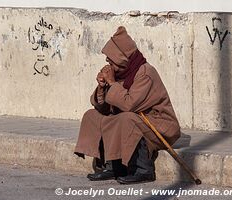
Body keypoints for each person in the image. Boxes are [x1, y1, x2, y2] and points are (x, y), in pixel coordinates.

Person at [74, 26, 181, 184]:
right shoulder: (120, 74)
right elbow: (103, 108)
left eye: (111, 59)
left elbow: (128, 105)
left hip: (158, 126)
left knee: (126, 119)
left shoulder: (145, 73)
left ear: (122, 58)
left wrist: (111, 82)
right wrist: (102, 87)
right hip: (133, 119)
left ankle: (143, 170)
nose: (108, 63)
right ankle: (111, 166)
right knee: (92, 115)